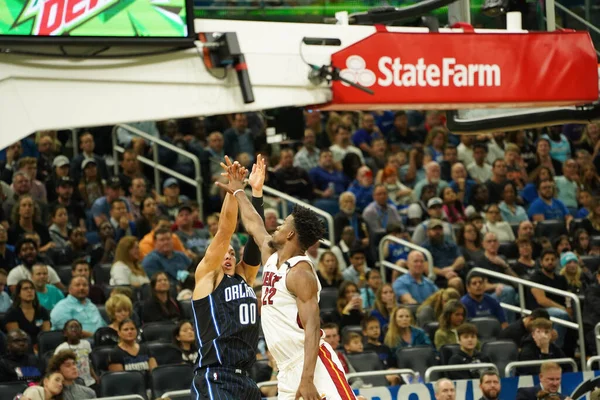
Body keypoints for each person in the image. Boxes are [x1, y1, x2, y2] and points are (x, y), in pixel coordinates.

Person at [218, 156, 356, 400]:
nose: (276, 228)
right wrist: (240, 190)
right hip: (285, 369)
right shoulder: (271, 256)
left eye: (282, 225)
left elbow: (313, 328)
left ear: (291, 234)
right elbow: (253, 224)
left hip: (313, 365)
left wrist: (307, 380)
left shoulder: (300, 272)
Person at [190, 156, 264, 400]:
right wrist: (234, 191)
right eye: (225, 252)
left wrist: (257, 192)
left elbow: (257, 239)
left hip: (246, 378)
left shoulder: (245, 277)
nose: (229, 255)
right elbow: (225, 230)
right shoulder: (208, 277)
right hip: (216, 375)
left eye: (233, 252)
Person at [4, 279, 50, 348]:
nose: (29, 291)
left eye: (32, 288)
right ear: (19, 294)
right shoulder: (12, 313)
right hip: (21, 348)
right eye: (25, 289)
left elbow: (46, 335)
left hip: (40, 347)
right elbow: (16, 339)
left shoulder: (42, 311)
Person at [54, 319, 97, 388]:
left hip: (89, 382)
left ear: (81, 332)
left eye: (77, 327)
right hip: (72, 384)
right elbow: (56, 369)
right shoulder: (61, 349)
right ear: (65, 333)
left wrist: (94, 376)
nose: (74, 329)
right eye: (71, 327)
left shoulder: (86, 344)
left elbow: (88, 361)